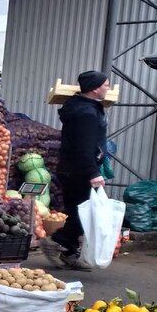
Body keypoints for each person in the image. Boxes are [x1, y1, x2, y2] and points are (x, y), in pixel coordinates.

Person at [41, 70, 110, 271]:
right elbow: (84, 147)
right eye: (106, 84)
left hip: (72, 169)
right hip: (79, 171)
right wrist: (93, 173)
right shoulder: (86, 114)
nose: (108, 88)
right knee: (87, 214)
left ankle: (68, 252)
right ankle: (56, 241)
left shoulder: (82, 107)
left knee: (77, 211)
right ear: (95, 89)